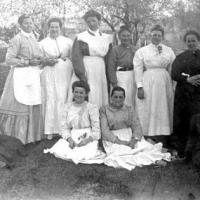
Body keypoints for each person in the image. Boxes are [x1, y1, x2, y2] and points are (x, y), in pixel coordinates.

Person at [100, 86, 171, 171]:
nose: (118, 99)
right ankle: (153, 161)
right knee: (120, 154)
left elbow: (136, 125)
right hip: (113, 138)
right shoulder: (104, 110)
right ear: (111, 97)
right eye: (115, 97)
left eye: (120, 97)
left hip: (130, 136)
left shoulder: (129, 108)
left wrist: (134, 140)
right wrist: (120, 142)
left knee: (143, 148)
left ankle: (153, 158)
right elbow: (104, 130)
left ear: (124, 98)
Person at [0, 14, 44, 144]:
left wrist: (41, 60)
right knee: (20, 104)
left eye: (31, 23)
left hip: (33, 75)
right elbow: (9, 59)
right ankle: (15, 138)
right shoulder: (16, 39)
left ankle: (31, 136)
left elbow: (37, 56)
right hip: (20, 75)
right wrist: (28, 62)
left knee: (32, 102)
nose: (29, 25)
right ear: (20, 25)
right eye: (26, 23)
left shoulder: (34, 38)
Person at [44, 81, 105, 164]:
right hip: (73, 134)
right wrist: (69, 139)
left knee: (86, 152)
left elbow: (96, 130)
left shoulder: (91, 108)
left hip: (87, 134)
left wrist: (87, 140)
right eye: (76, 92)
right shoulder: (67, 107)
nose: (78, 95)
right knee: (62, 149)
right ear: (73, 92)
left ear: (86, 94)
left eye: (81, 93)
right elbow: (64, 127)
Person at [133, 24, 175, 145]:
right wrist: (139, 86)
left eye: (158, 35)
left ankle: (163, 135)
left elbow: (172, 68)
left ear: (162, 36)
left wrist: (172, 85)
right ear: (150, 36)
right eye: (154, 35)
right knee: (148, 106)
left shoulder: (169, 50)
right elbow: (138, 70)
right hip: (148, 81)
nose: (156, 37)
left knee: (163, 108)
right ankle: (147, 135)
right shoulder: (142, 51)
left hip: (164, 81)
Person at [40, 17, 73, 139]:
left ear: (60, 28)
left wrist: (65, 58)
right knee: (51, 98)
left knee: (63, 97)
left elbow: (73, 56)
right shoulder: (42, 43)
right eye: (52, 27)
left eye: (56, 27)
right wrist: (46, 60)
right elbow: (39, 60)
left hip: (64, 73)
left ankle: (63, 129)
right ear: (48, 28)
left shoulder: (68, 42)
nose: (54, 29)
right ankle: (49, 130)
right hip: (49, 74)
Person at [71, 9, 112, 107]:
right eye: (88, 21)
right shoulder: (81, 37)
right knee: (88, 92)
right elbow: (76, 57)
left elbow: (109, 58)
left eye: (93, 20)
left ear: (99, 21)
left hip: (100, 68)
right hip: (86, 67)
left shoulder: (107, 38)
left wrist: (109, 74)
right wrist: (82, 75)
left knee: (99, 93)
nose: (91, 23)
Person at [171, 30, 200, 158]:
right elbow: (174, 74)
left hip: (198, 95)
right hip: (183, 96)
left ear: (198, 41)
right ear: (185, 42)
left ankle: (196, 152)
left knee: (196, 122)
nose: (191, 43)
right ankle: (182, 152)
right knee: (182, 123)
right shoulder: (180, 57)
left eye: (193, 40)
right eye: (188, 41)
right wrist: (187, 79)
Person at [107, 26, 136, 106]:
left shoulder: (134, 49)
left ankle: (130, 117)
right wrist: (114, 82)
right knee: (120, 98)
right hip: (120, 76)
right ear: (119, 37)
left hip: (132, 76)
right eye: (123, 36)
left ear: (130, 36)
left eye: (128, 36)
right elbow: (111, 67)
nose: (125, 38)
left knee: (131, 98)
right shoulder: (115, 50)